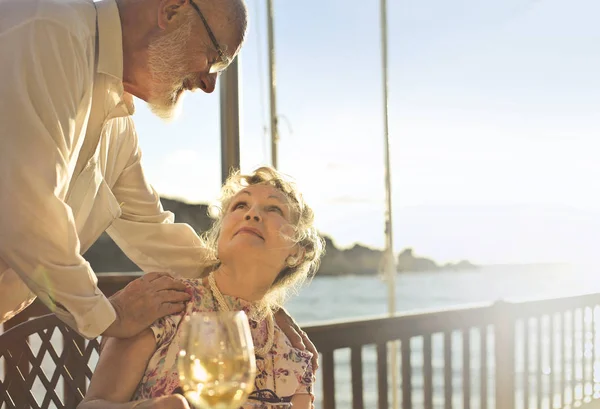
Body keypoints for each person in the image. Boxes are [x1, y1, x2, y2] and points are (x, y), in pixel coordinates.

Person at [0, 0, 250, 340]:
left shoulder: (115, 125)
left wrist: (254, 300)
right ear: (172, 10)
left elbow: (151, 230)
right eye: (214, 57)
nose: (208, 84)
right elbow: (26, 206)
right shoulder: (52, 30)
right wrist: (108, 317)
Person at [78, 166, 325, 409]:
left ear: (297, 252)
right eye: (240, 205)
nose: (252, 214)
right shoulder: (163, 303)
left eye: (274, 209)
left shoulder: (291, 350)